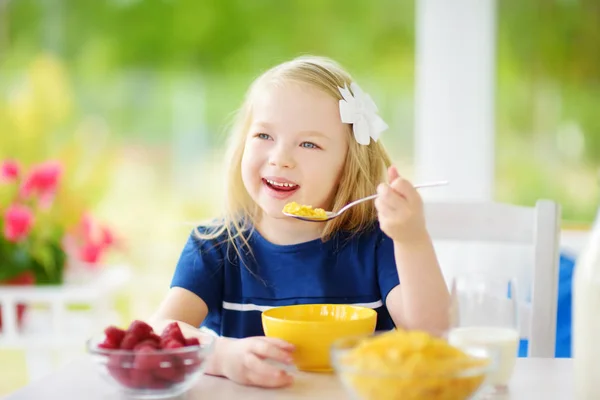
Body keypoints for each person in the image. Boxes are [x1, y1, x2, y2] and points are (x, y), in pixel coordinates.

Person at [150, 55, 450, 388]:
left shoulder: (377, 241)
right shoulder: (215, 247)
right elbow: (163, 331)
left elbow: (431, 335)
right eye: (264, 136)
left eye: (309, 143)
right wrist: (222, 356)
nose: (280, 158)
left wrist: (411, 239)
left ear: (347, 166)